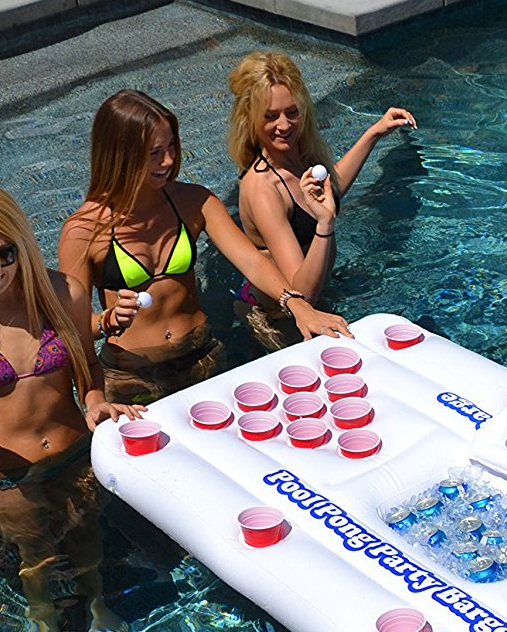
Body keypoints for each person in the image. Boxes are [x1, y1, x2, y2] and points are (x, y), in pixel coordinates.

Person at [0, 181, 140, 632]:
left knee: (86, 540)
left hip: (73, 454)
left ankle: (97, 605)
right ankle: (41, 619)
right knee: (35, 556)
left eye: (1, 253)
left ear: (21, 241)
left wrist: (96, 401)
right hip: (4, 472)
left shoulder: (64, 293)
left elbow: (90, 366)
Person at [59, 89, 352, 403]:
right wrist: (108, 321)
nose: (169, 160)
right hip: (132, 376)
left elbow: (252, 262)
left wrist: (298, 306)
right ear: (121, 154)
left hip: (203, 357)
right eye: (155, 152)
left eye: (172, 146)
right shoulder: (83, 231)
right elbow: (72, 329)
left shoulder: (194, 202)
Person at [226, 52, 416, 352]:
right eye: (270, 116)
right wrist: (325, 223)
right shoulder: (263, 189)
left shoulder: (297, 154)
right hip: (278, 317)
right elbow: (301, 295)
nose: (284, 125)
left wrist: (373, 134)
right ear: (250, 118)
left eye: (292, 112)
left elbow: (331, 190)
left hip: (319, 293)